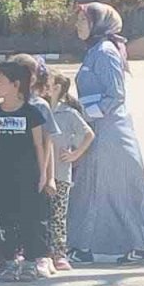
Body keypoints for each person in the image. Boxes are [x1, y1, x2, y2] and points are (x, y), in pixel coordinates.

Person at [68, 2, 144, 266]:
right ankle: (83, 246)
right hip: (97, 128)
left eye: (83, 21)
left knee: (117, 188)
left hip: (110, 132)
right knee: (91, 187)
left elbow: (115, 95)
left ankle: (141, 244)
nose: (77, 26)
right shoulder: (95, 50)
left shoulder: (105, 52)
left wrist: (88, 112)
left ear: (98, 23)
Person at [0, 57, 53, 283]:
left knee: (30, 218)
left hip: (28, 174)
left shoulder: (32, 112)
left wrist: (44, 174)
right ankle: (12, 261)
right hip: (3, 175)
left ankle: (33, 261)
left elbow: (40, 144)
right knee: (7, 219)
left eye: (0, 81)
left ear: (16, 85)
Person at [46, 70, 95, 272]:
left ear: (57, 88)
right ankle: (40, 252)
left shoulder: (68, 114)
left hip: (60, 173)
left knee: (58, 216)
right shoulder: (38, 110)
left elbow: (88, 134)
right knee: (39, 214)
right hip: (40, 172)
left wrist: (75, 155)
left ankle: (59, 253)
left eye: (47, 84)